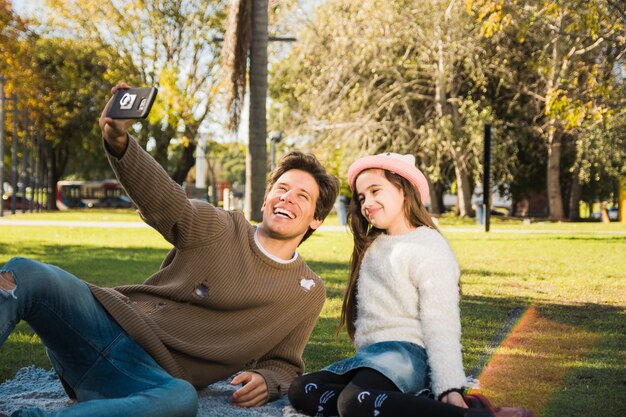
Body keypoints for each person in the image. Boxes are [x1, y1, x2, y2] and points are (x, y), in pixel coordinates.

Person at [0, 83, 339, 417]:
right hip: (102, 324)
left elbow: (284, 362)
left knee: (180, 400)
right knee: (24, 274)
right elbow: (166, 200)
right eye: (281, 188)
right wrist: (119, 142)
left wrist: (269, 380)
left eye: (302, 197)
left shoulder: (307, 292)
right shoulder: (221, 227)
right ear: (266, 199)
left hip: (149, 377)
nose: (286, 198)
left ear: (316, 220)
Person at [288, 152, 532, 417]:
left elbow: (442, 323)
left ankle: (470, 415)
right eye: (362, 197)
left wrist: (449, 387)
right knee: (302, 389)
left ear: (403, 190)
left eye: (375, 191)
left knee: (352, 402)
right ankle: (415, 404)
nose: (367, 203)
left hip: (408, 356)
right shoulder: (373, 246)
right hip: (372, 359)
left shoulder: (428, 246)